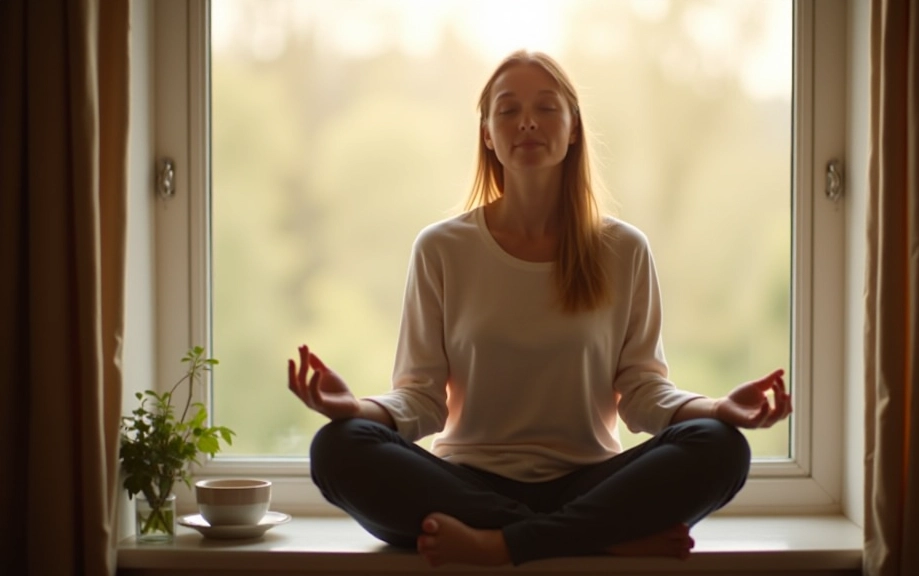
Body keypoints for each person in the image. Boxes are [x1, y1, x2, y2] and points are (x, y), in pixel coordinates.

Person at [287, 49, 792, 568]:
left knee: (721, 446)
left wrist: (717, 409)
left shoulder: (624, 250)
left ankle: (508, 542)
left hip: (590, 481)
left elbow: (642, 392)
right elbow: (421, 399)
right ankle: (593, 538)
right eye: (507, 110)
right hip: (466, 485)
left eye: (547, 108)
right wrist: (356, 410)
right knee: (337, 447)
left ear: (573, 128)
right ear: (487, 132)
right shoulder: (442, 249)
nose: (527, 120)